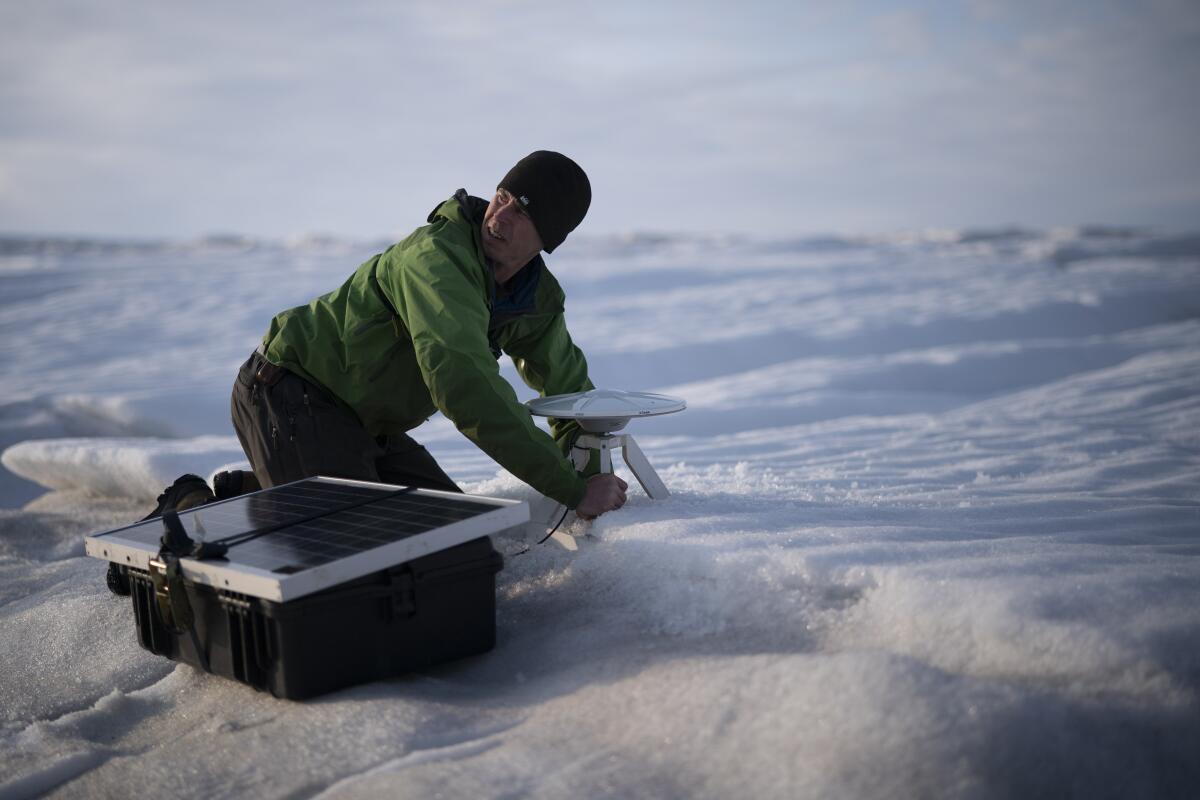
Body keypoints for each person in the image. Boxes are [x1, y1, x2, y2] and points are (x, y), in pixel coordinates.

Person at [230, 151, 627, 519]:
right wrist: (570, 489)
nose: (499, 216)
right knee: (361, 550)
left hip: (366, 425)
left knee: (462, 541)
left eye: (521, 211)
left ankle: (267, 486)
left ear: (548, 237)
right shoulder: (437, 260)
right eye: (501, 196)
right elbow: (464, 385)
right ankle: (222, 502)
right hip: (291, 394)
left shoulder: (532, 298)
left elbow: (570, 394)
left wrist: (592, 477)